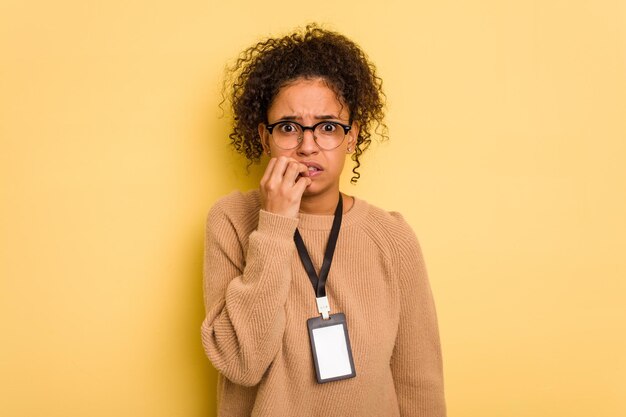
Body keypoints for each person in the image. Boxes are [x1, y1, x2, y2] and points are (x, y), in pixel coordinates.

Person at [201, 24, 446, 417]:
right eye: (288, 128)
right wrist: (275, 226)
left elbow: (419, 381)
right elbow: (241, 364)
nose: (308, 145)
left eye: (328, 127)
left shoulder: (392, 236)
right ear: (264, 137)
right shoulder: (230, 221)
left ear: (352, 137)